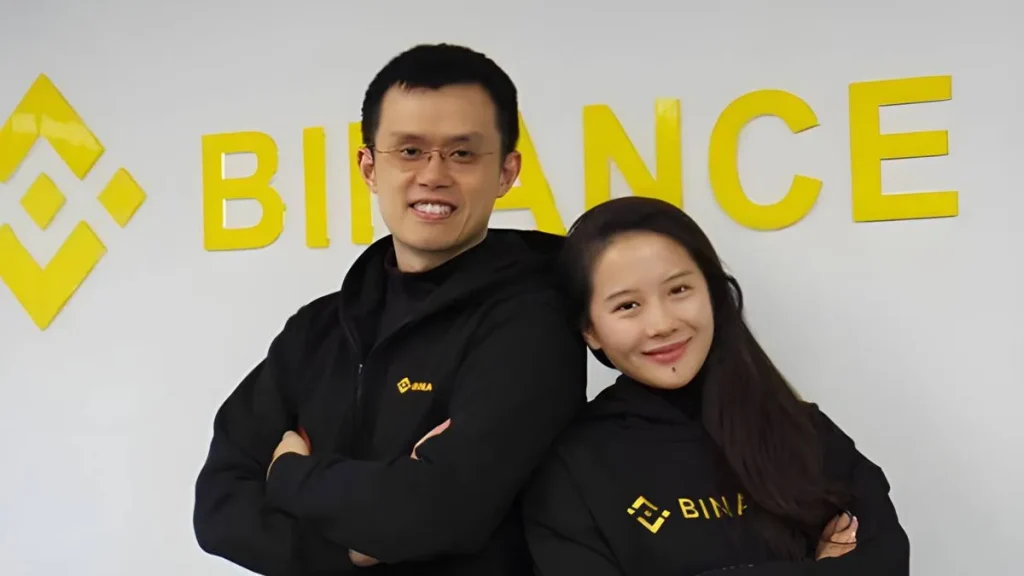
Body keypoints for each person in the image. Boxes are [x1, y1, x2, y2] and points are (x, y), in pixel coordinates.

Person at [193, 43, 587, 575]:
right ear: (369, 167)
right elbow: (219, 507)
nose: (434, 174)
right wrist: (347, 552)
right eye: (409, 150)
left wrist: (288, 476)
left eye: (463, 153)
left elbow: (440, 512)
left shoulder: (533, 322)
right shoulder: (317, 329)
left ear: (506, 172)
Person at [522, 196, 910, 575]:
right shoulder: (571, 468)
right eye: (627, 306)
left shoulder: (804, 432)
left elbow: (886, 562)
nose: (661, 324)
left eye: (678, 290)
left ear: (712, 294)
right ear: (590, 330)